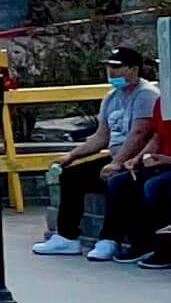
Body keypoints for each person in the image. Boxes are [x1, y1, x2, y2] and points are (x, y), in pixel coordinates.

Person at [37, 47, 162, 258]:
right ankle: (67, 237)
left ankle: (109, 239)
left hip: (139, 158)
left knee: (117, 181)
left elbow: (139, 134)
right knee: (72, 175)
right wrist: (72, 156)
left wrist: (118, 162)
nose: (111, 72)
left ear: (133, 69)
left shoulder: (146, 95)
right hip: (115, 155)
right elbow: (101, 136)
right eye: (109, 67)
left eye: (117, 67)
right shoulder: (111, 97)